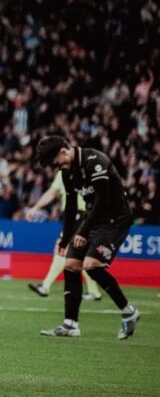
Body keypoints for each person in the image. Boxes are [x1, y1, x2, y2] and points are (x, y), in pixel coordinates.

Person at [35, 136, 141, 339]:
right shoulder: (68, 172)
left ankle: (129, 312)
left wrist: (83, 232)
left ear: (64, 152)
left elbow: (102, 200)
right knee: (71, 263)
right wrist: (66, 239)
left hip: (114, 219)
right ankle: (70, 325)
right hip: (93, 217)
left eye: (56, 163)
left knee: (92, 265)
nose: (57, 168)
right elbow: (71, 207)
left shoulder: (95, 161)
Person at [25, 170, 103, 301]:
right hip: (74, 215)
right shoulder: (68, 172)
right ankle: (94, 291)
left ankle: (45, 286)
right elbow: (52, 192)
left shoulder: (77, 172)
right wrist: (36, 207)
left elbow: (51, 193)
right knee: (78, 255)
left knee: (62, 249)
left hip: (79, 215)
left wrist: (35, 207)